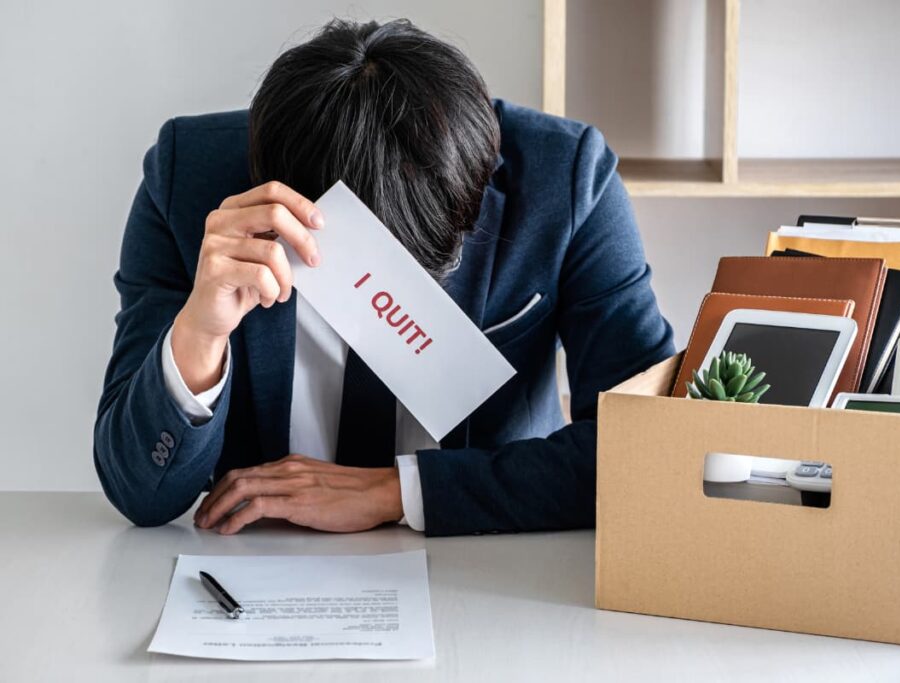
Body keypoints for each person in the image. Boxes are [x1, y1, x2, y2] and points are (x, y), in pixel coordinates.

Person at [94, 18, 674, 536]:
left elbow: (649, 450)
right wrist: (200, 334)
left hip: (488, 565)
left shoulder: (565, 178)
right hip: (258, 561)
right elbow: (139, 494)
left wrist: (399, 492)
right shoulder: (188, 178)